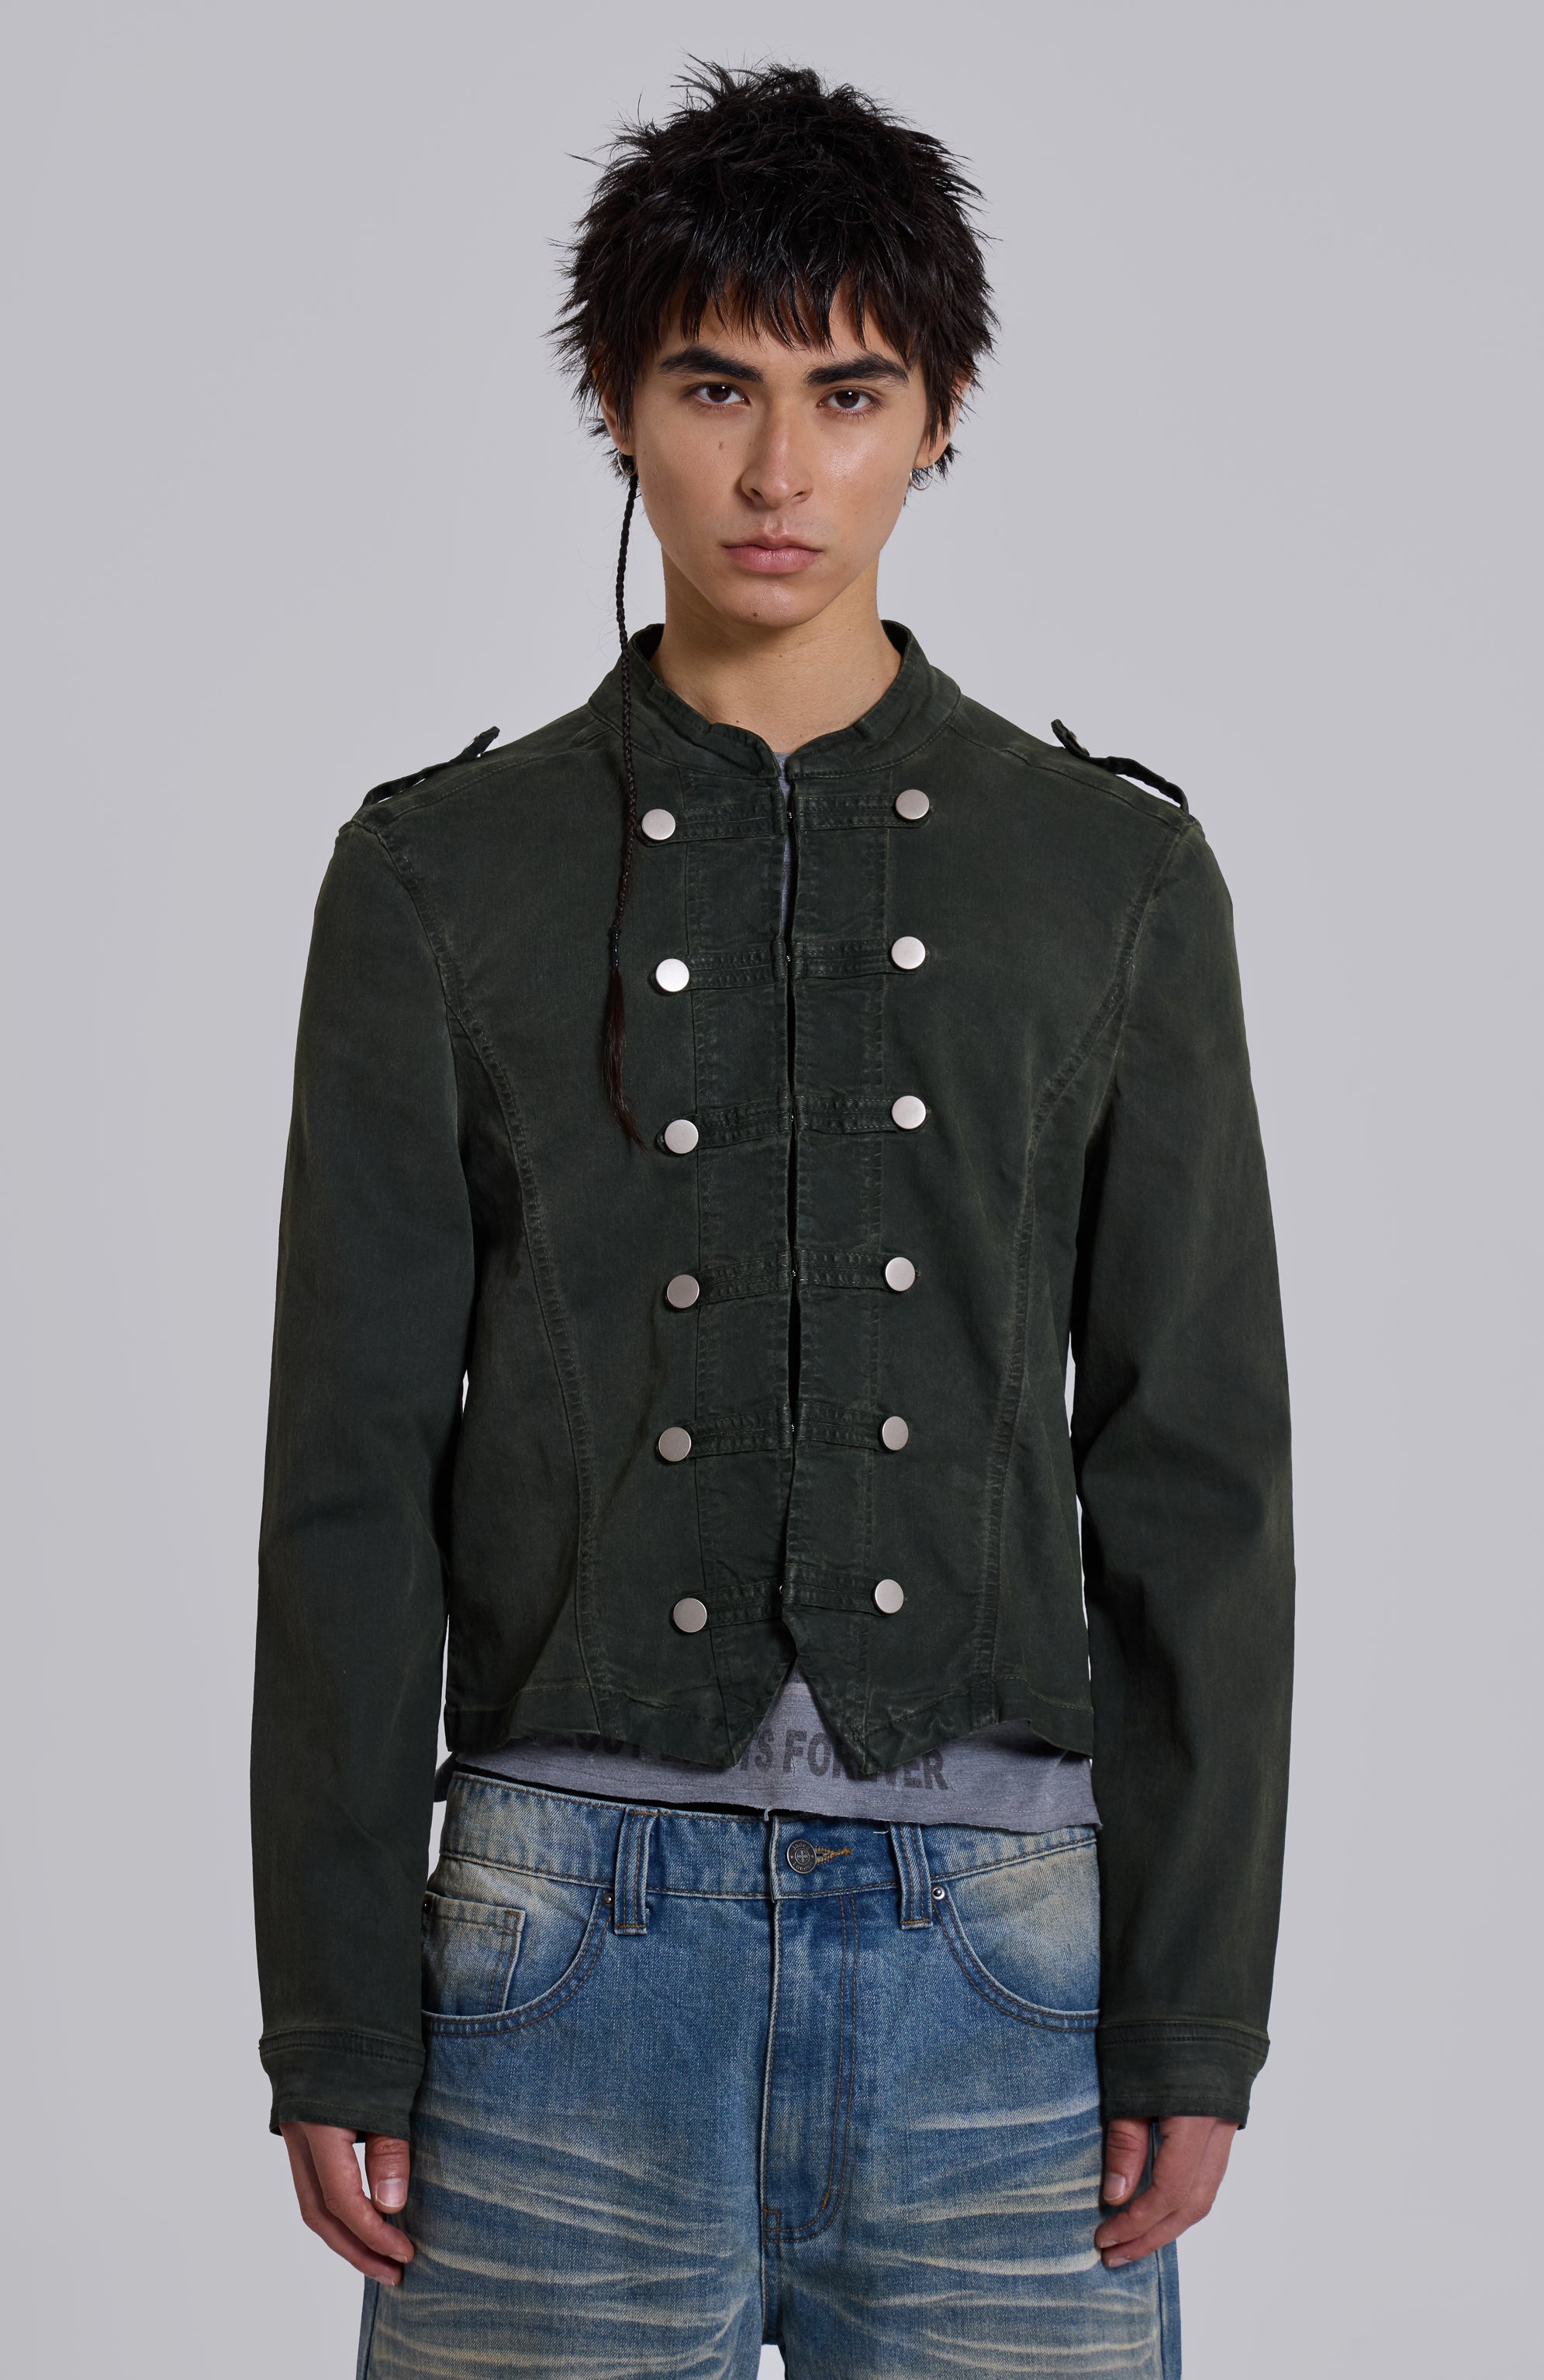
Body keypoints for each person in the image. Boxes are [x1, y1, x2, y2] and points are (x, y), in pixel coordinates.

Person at [252, 61, 1293, 2380]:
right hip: (551, 1962)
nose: (778, 469)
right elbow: (348, 1476)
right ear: (618, 406)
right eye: (715, 386)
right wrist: (331, 2011)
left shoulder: (1113, 876)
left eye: (851, 393)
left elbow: (1195, 1469)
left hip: (1003, 1975)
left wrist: (1193, 2010)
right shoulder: (437, 879)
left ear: (939, 422)